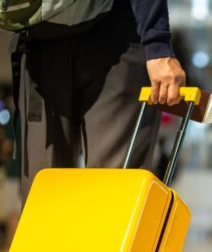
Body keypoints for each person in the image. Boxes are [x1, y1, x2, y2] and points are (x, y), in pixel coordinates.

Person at [14, 0, 186, 200]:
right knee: (115, 196)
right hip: (116, 43)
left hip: (41, 39)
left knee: (44, 197)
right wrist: (157, 45)